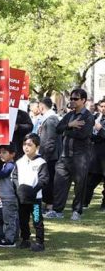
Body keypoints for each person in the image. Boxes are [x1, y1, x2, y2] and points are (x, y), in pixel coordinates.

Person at [47, 88, 95, 220]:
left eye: (75, 99)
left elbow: (82, 134)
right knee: (59, 184)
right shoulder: (70, 115)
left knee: (80, 185)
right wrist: (70, 125)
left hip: (80, 156)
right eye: (71, 98)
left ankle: (77, 211)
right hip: (64, 155)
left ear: (83, 100)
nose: (72, 101)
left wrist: (66, 129)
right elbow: (58, 129)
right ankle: (57, 211)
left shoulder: (88, 117)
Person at [16, 133, 49, 252]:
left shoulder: (41, 162)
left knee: (36, 219)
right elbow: (14, 177)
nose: (26, 147)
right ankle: (25, 239)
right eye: (24, 144)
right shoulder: (19, 162)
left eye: (30, 145)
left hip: (35, 198)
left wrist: (33, 190)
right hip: (22, 197)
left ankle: (40, 242)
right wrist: (19, 189)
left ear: (37, 147)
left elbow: (44, 179)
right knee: (23, 219)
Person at [37, 97, 60, 211]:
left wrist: (45, 157)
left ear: (42, 106)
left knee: (49, 181)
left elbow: (50, 140)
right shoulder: (49, 118)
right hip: (48, 155)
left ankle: (50, 205)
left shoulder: (51, 120)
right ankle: (48, 204)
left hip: (50, 157)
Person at [0, 145, 18, 247]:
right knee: (7, 219)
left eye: (4, 152)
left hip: (10, 197)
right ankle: (7, 237)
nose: (1, 155)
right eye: (0, 152)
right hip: (6, 196)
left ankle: (10, 240)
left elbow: (2, 174)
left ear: (12, 154)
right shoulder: (5, 165)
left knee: (9, 219)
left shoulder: (10, 165)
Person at [84, 99, 105, 209]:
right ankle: (84, 203)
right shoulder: (98, 117)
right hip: (96, 157)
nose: (103, 108)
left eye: (104, 106)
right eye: (101, 106)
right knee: (90, 182)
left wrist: (100, 130)